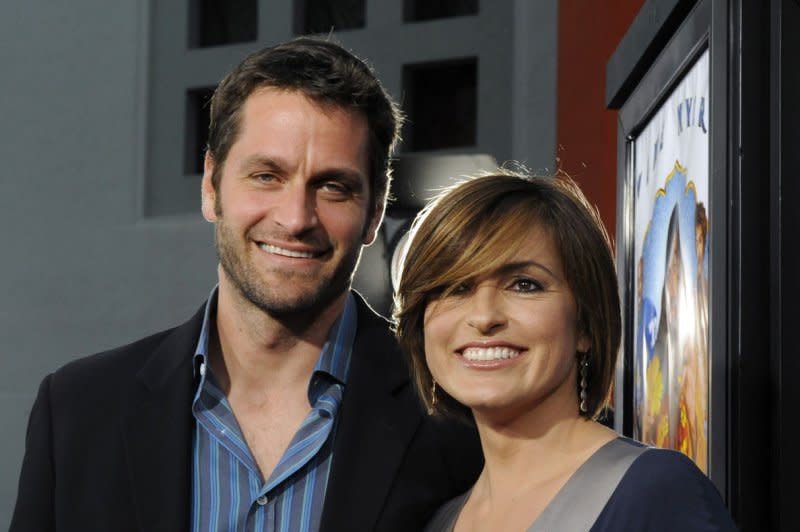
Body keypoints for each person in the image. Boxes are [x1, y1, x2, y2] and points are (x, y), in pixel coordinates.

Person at [10, 37, 482, 532]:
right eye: (266, 176)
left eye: (332, 186)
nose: (296, 218)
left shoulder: (455, 416)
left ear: (375, 212)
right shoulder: (78, 414)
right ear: (211, 186)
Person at [394, 171, 737, 531]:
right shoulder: (436, 521)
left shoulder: (657, 493)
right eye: (455, 288)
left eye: (525, 285)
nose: (484, 317)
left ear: (586, 324)